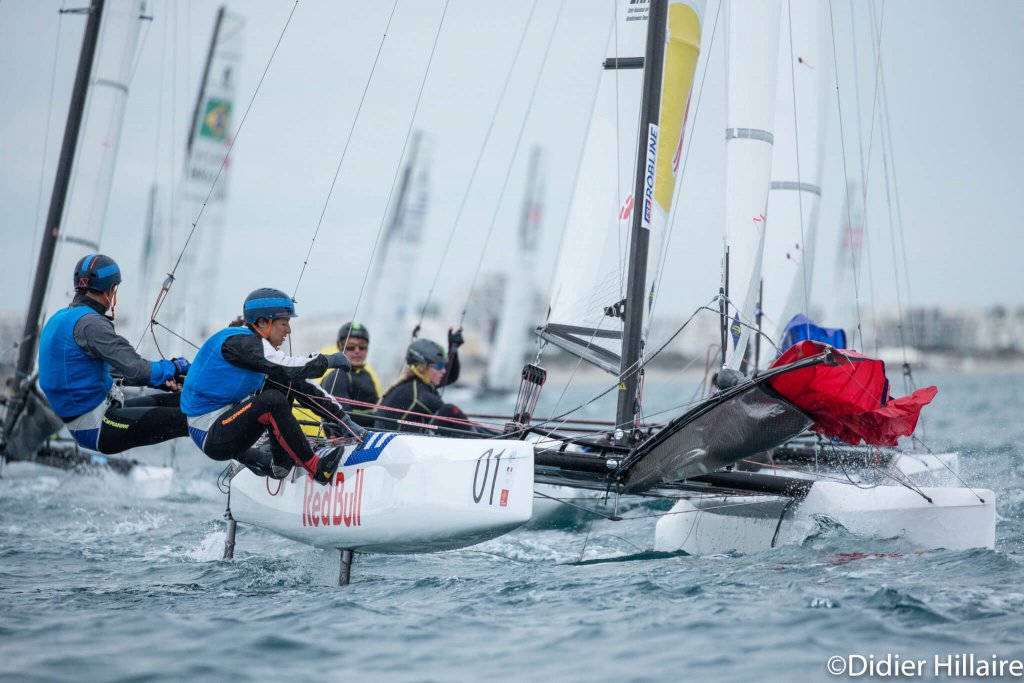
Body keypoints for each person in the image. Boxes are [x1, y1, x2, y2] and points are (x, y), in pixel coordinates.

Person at [180, 288, 365, 485]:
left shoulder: (258, 348)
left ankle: (281, 464)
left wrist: (343, 420)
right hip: (212, 435)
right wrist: (328, 361)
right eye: (284, 323)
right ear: (262, 322)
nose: (289, 330)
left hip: (227, 424)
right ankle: (317, 469)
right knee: (272, 401)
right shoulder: (243, 343)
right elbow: (291, 368)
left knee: (285, 383)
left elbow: (300, 384)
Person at [37, 254, 191, 454]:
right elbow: (137, 369)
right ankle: (243, 461)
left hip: (101, 414)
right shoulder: (91, 324)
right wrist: (175, 366)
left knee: (188, 401)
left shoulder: (59, 318)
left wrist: (158, 381)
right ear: (110, 291)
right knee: (194, 418)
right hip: (98, 426)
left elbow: (113, 369)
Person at [374, 331, 469, 434]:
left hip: (391, 444)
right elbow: (453, 419)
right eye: (439, 366)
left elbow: (449, 376)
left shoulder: (412, 385)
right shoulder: (419, 395)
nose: (444, 371)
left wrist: (453, 350)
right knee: (450, 410)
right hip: (395, 448)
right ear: (423, 368)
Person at [320, 321, 382, 427]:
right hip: (346, 440)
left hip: (368, 437)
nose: (357, 351)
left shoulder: (367, 375)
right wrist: (378, 418)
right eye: (350, 346)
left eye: (362, 346)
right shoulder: (337, 377)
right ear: (340, 347)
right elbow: (343, 419)